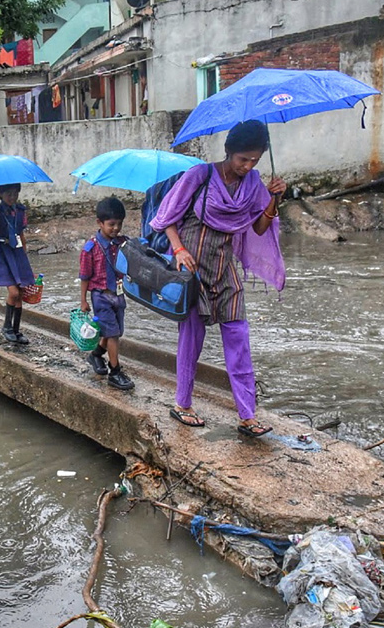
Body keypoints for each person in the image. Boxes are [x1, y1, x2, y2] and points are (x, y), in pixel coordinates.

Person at [148, 119, 287, 436]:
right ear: (229, 152)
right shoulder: (200, 176)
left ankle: (247, 416)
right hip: (192, 270)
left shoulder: (253, 184)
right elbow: (167, 218)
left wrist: (274, 198)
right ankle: (182, 405)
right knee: (191, 340)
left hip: (226, 272)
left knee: (239, 341)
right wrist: (179, 249)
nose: (248, 166)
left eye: (255, 160)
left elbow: (259, 228)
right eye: (243, 159)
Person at [79, 196, 135, 391]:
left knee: (115, 329)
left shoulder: (123, 243)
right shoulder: (91, 247)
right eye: (111, 224)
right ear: (99, 223)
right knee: (113, 334)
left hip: (118, 294)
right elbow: (85, 276)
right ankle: (115, 371)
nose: (116, 228)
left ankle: (96, 355)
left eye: (119, 224)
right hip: (101, 295)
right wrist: (83, 301)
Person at [0, 183, 36, 344]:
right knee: (13, 293)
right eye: (8, 194)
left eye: (15, 194)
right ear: (0, 195)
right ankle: (6, 327)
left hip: (17, 252)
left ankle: (16, 330)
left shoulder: (20, 211)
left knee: (20, 292)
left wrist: (24, 257)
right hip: (3, 251)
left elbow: (20, 233)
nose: (12, 197)